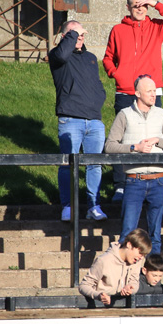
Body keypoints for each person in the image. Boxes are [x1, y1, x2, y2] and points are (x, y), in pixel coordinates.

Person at [103, 0, 163, 201]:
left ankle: (156, 184)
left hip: (151, 92)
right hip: (125, 91)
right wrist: (116, 74)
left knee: (154, 135)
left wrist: (156, 3)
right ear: (128, 7)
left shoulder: (157, 27)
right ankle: (121, 185)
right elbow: (108, 57)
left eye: (143, 5)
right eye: (135, 5)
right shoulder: (118, 30)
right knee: (124, 138)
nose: (140, 8)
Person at [104, 75, 163, 255]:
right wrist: (134, 147)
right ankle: (122, 268)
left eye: (155, 91)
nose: (154, 95)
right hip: (134, 179)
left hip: (158, 180)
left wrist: (158, 140)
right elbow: (110, 146)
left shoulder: (161, 114)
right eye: (149, 91)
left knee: (156, 234)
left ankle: (153, 269)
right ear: (137, 93)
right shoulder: (124, 114)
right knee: (127, 232)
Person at [48, 20, 107, 222]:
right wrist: (73, 34)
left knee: (94, 165)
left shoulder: (90, 58)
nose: (80, 37)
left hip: (94, 120)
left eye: (82, 34)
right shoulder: (57, 55)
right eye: (75, 34)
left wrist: (99, 98)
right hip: (70, 120)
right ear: (65, 37)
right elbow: (62, 54)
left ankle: (94, 206)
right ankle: (68, 207)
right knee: (68, 164)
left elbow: (96, 84)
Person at [79, 228, 151, 305]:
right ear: (129, 245)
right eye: (140, 253)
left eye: (144, 255)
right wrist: (98, 295)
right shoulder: (104, 261)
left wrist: (131, 287)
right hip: (100, 306)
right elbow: (84, 286)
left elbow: (134, 281)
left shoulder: (136, 261)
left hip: (123, 305)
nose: (141, 258)